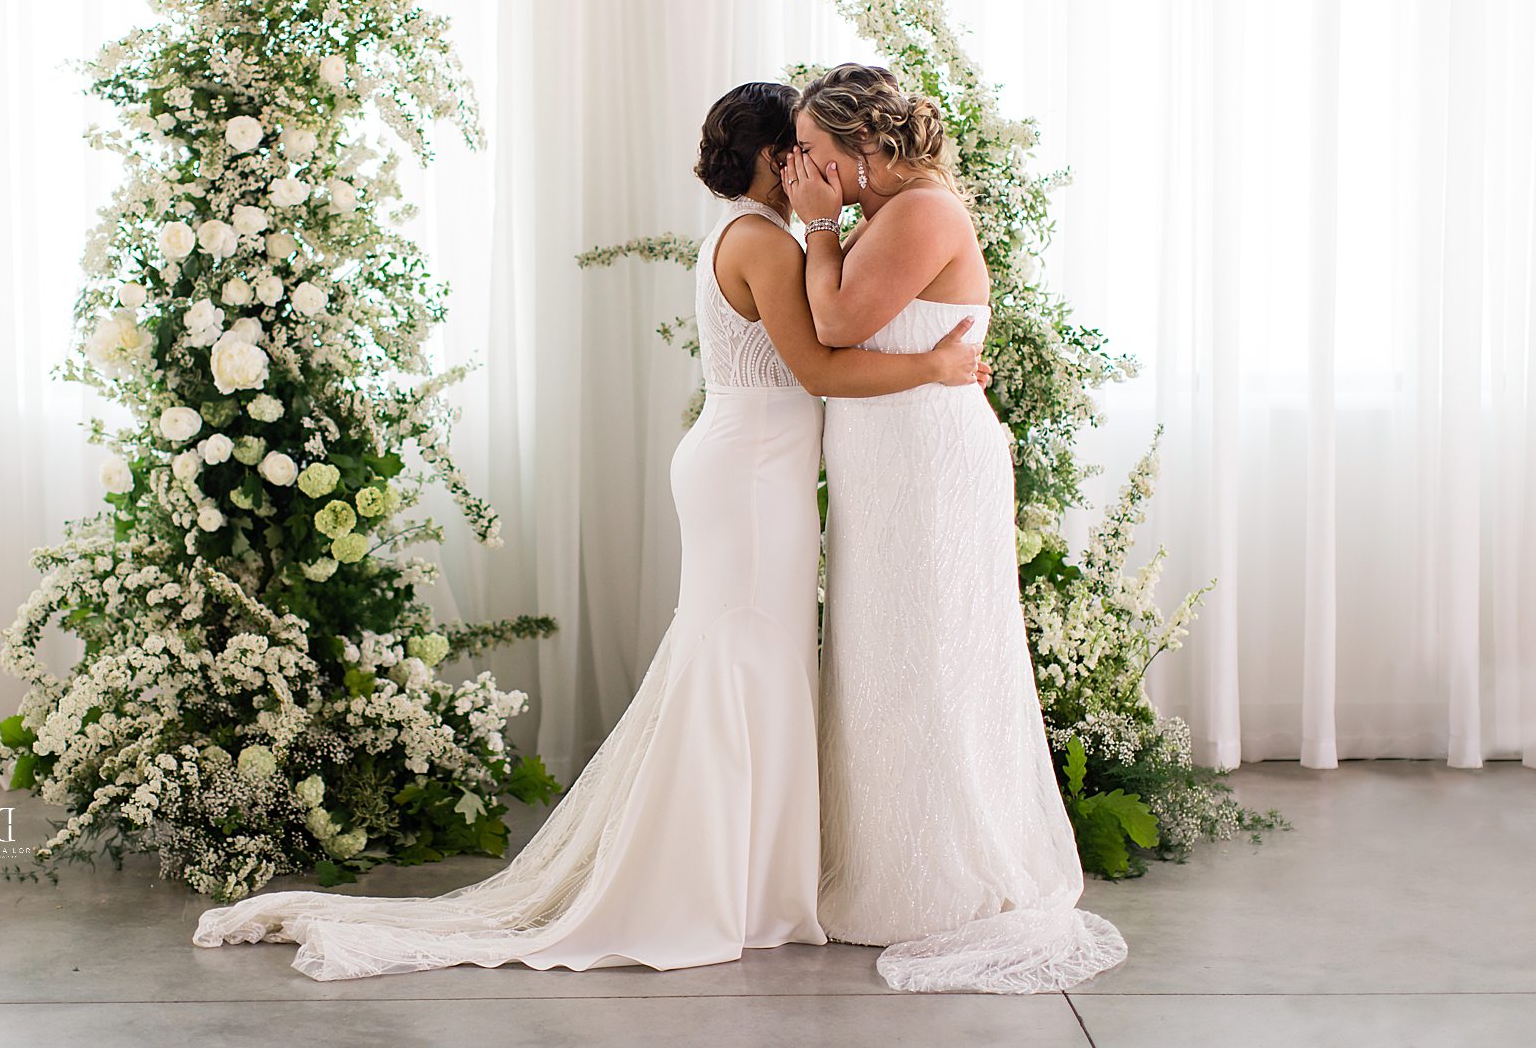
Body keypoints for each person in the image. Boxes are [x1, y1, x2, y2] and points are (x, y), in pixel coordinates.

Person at [190, 81, 989, 979]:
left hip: (750, 467)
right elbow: (817, 366)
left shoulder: (749, 234)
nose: (817, 168)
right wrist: (929, 358)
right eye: (800, 151)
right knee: (740, 665)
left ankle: (754, 879)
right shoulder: (765, 241)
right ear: (777, 160)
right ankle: (716, 885)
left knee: (748, 663)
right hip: (756, 476)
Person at [784, 62, 1129, 994]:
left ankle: (931, 881)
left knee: (926, 657)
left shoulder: (923, 212)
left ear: (865, 145)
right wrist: (829, 225)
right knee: (885, 657)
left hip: (929, 471)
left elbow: (840, 319)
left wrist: (817, 230)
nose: (801, 167)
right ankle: (887, 861)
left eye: (814, 150)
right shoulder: (884, 213)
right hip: (888, 469)